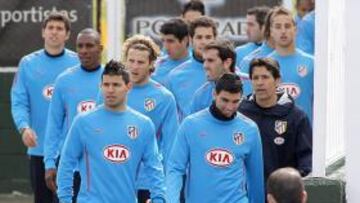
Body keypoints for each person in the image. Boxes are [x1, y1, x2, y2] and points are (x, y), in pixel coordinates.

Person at [57, 60, 166, 203]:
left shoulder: (143, 125)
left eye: (116, 85)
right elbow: (66, 163)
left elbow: (154, 167)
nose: (110, 90)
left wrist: (159, 199)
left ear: (128, 87)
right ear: (100, 86)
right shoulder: (83, 122)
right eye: (106, 84)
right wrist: (65, 200)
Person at [10, 12, 79, 203]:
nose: (54, 32)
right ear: (43, 32)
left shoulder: (78, 63)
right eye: (50, 28)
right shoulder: (28, 63)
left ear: (67, 35)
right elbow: (18, 102)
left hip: (70, 151)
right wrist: (24, 127)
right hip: (39, 149)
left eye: (59, 29)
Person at [167, 73, 264, 203]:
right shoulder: (191, 125)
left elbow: (256, 178)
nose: (230, 107)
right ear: (214, 94)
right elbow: (175, 168)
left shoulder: (250, 129)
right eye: (225, 100)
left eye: (235, 101)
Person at [43, 28, 104, 201]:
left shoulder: (111, 79)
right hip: (70, 166)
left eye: (89, 46)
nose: (84, 50)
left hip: (102, 168)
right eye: (80, 46)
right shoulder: (64, 80)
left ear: (100, 49)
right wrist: (49, 163)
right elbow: (53, 125)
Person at [121, 34, 179, 203]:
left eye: (140, 62)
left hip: (148, 181)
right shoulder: (111, 91)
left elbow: (171, 146)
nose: (134, 66)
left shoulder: (164, 97)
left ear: (151, 64)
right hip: (116, 178)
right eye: (131, 61)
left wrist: (169, 187)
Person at [239, 58, 312, 182]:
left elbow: (306, 162)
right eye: (255, 78)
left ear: (277, 80)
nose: (260, 83)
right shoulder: (240, 114)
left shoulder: (297, 117)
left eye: (265, 77)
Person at [165, 16, 217, 121]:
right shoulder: (175, 76)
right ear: (190, 39)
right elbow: (170, 118)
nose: (203, 42)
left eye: (208, 37)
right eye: (199, 37)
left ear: (215, 39)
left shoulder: (228, 71)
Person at [268, 6, 314, 122]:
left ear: (295, 30)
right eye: (278, 27)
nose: (283, 31)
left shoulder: (311, 63)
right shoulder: (264, 65)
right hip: (273, 134)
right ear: (271, 32)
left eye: (287, 26)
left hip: (305, 134)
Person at [189, 38, 251, 114]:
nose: (205, 66)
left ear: (227, 63)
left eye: (210, 60)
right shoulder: (200, 95)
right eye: (204, 60)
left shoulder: (252, 84)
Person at [152, 18, 191, 85]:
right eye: (163, 41)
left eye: (170, 41)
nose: (166, 46)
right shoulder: (155, 67)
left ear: (185, 40)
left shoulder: (201, 65)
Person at [238, 7, 276, 75]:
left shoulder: (288, 53)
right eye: (247, 24)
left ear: (264, 27)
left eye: (251, 25)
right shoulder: (240, 54)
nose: (246, 29)